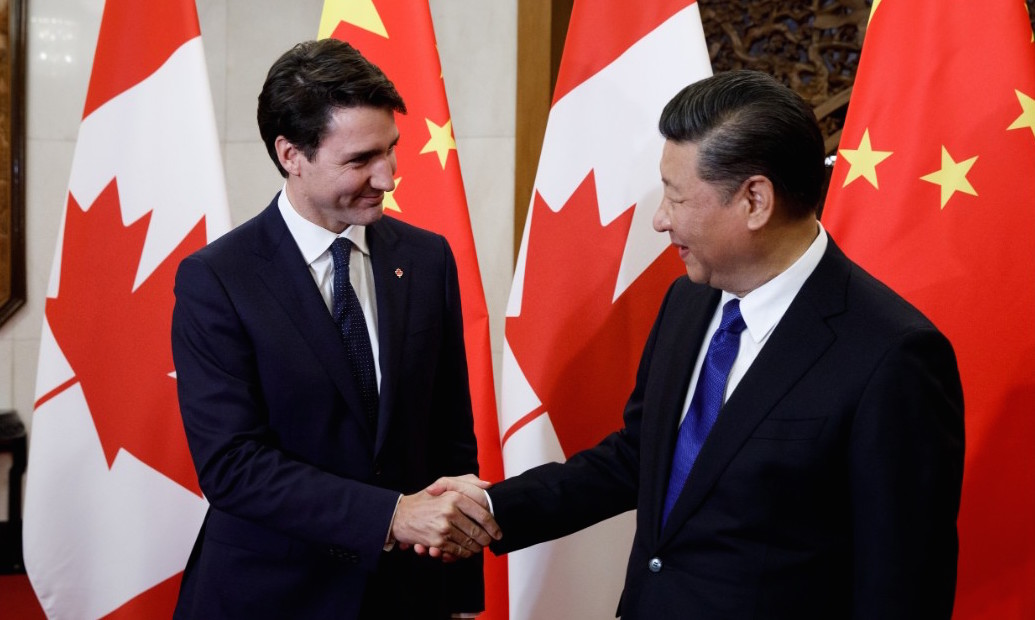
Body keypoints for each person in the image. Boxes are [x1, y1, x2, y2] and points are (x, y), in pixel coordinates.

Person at [435, 70, 965, 618]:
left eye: (676, 197)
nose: (661, 220)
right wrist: (492, 507)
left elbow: (903, 585)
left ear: (755, 200)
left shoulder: (893, 355)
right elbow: (640, 457)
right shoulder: (689, 301)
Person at [170, 39, 499, 619]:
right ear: (291, 154)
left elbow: (450, 434)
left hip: (407, 595)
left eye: (391, 150)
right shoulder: (217, 279)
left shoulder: (427, 258)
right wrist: (390, 516)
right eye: (360, 160)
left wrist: (460, 591)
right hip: (272, 594)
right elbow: (232, 465)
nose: (389, 177)